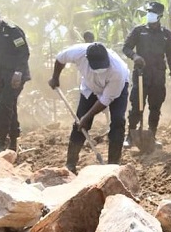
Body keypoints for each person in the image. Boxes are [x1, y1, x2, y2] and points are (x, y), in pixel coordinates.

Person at [48, 43, 130, 173]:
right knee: (79, 123)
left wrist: (88, 116)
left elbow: (106, 99)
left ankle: (113, 166)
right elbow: (60, 59)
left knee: (118, 122)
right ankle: (70, 164)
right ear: (86, 59)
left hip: (117, 90)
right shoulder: (78, 52)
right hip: (90, 88)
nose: (100, 69)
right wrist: (55, 77)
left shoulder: (117, 71)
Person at [122, 2, 171, 149]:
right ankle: (130, 136)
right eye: (148, 12)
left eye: (152, 13)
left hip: (158, 76)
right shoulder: (138, 31)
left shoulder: (166, 34)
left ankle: (151, 136)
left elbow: (170, 55)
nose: (149, 15)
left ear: (159, 16)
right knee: (137, 107)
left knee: (155, 107)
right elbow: (126, 47)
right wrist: (135, 56)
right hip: (141, 75)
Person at [0, 7, 30, 154]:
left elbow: (24, 52)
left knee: (3, 106)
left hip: (16, 76)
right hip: (0, 75)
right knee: (10, 107)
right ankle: (13, 142)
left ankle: (0, 142)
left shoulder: (12, 31)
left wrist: (19, 73)